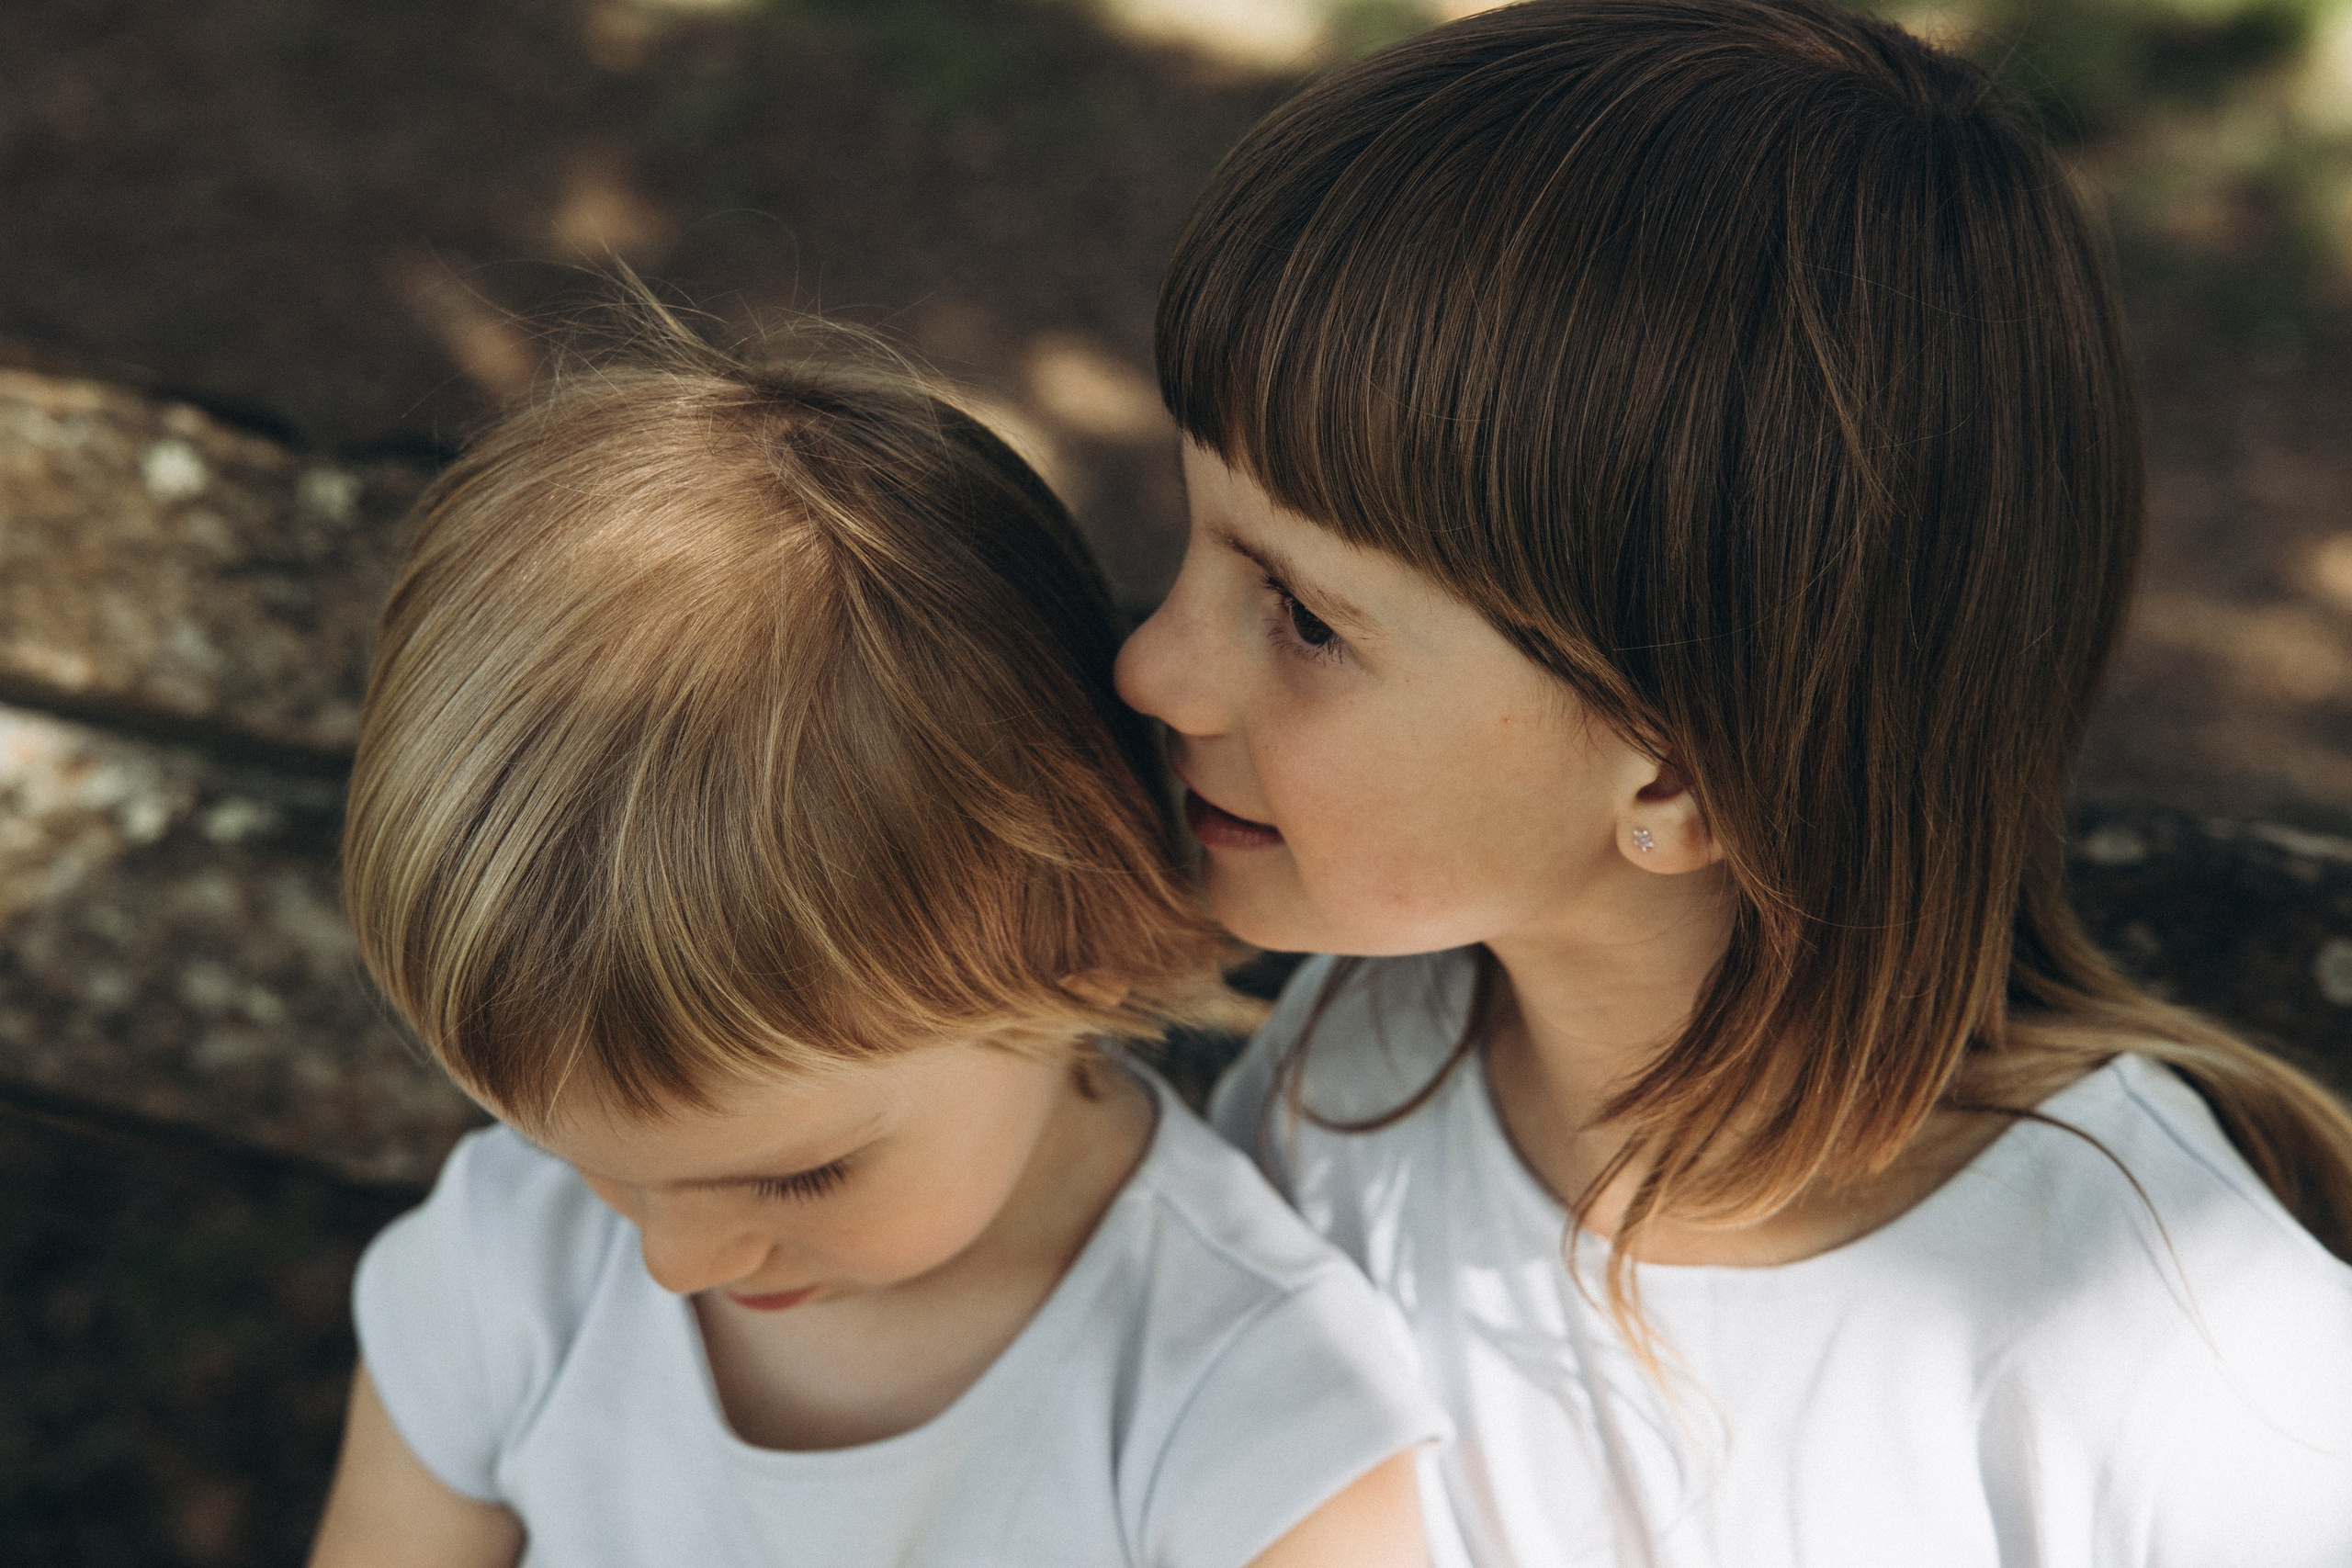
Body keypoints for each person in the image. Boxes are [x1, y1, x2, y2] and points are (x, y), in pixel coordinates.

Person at [1114, 2, 2352, 1563]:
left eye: (1301, 618)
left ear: (1688, 778)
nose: (1153, 668)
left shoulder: (2198, 1383)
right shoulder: (1361, 1061)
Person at [306, 313, 1445, 1568]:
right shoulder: (510, 1269)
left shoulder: (1249, 1411)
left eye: (798, 1176)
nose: (674, 1262)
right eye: (581, 1155)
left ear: (1077, 949)